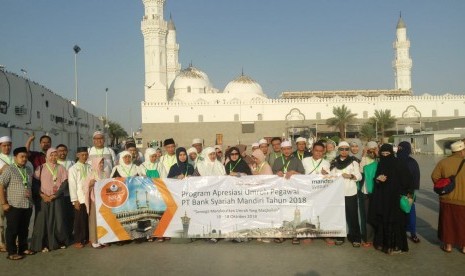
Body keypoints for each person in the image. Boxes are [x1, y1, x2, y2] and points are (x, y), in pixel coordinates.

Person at [369, 144, 413, 254]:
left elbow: (407, 180)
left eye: (387, 154)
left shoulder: (400, 164)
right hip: (384, 198)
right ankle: (384, 244)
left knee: (396, 221)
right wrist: (378, 179)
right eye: (382, 154)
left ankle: (397, 245)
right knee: (383, 220)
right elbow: (377, 179)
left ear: (392, 153)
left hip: (396, 198)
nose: (385, 156)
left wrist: (407, 194)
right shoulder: (380, 164)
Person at [31, 148, 70, 252]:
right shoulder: (41, 168)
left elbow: (64, 183)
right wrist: (42, 195)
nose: (53, 158)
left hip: (57, 198)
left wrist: (56, 195)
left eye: (55, 155)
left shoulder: (61, 168)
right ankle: (43, 244)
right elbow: (35, 184)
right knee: (43, 221)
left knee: (58, 221)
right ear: (47, 157)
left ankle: (59, 242)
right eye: (51, 155)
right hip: (43, 198)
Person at [0, 147, 34, 260]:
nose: (24, 159)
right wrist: (4, 203)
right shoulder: (9, 170)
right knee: (12, 229)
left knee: (24, 229)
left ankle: (23, 248)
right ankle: (11, 252)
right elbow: (1, 185)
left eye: (26, 157)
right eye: (21, 157)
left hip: (27, 204)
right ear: (15, 157)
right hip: (14, 205)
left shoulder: (28, 169)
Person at [431, 140, 465, 254]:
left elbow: (434, 177)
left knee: (447, 223)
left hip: (446, 199)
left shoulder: (443, 162)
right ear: (462, 151)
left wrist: (445, 185)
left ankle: (448, 246)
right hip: (463, 201)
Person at [330, 141, 362, 247]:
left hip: (350, 193)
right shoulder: (334, 162)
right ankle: (340, 236)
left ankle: (356, 237)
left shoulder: (354, 162)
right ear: (338, 150)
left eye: (346, 149)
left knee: (352, 216)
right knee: (339, 216)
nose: (344, 151)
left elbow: (359, 176)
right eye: (341, 149)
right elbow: (331, 176)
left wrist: (351, 176)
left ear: (349, 150)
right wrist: (327, 174)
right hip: (337, 194)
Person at [397, 141, 421, 244]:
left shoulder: (396, 160)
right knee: (410, 212)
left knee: (399, 212)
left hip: (397, 191)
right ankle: (413, 234)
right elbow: (416, 177)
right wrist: (413, 190)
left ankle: (399, 232)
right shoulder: (413, 162)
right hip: (410, 192)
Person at [68, 147, 91, 248]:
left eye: (86, 154)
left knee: (87, 219)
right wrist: (74, 200)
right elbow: (72, 185)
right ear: (77, 155)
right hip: (79, 198)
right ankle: (78, 240)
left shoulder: (89, 167)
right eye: (82, 155)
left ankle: (87, 238)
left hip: (89, 197)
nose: (84, 156)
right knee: (79, 220)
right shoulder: (73, 168)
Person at [83, 157, 109, 248]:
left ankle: (102, 239)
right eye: (100, 163)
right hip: (94, 200)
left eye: (102, 162)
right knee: (94, 220)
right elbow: (85, 187)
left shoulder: (105, 174)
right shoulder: (91, 174)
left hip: (103, 200)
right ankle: (94, 240)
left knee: (102, 220)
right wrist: (90, 184)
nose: (101, 164)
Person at [358, 141, 379, 247]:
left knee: (378, 215)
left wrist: (378, 154)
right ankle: (369, 238)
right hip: (366, 192)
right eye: (370, 149)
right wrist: (363, 155)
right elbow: (360, 170)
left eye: (374, 149)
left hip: (378, 192)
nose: (372, 151)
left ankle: (378, 237)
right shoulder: (365, 159)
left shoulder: (381, 158)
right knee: (367, 216)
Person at [56, 144, 75, 242]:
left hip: (70, 194)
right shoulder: (55, 163)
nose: (62, 153)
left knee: (70, 216)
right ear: (56, 152)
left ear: (67, 151)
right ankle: (60, 237)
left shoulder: (72, 162)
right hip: (59, 194)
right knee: (60, 217)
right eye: (60, 151)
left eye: (64, 150)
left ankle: (69, 235)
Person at [0, 136, 14, 253]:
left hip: (13, 193)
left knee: (14, 219)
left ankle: (14, 240)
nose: (7, 147)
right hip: (1, 193)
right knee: (1, 220)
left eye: (8, 145)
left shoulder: (15, 158)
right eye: (4, 145)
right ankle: (1, 243)